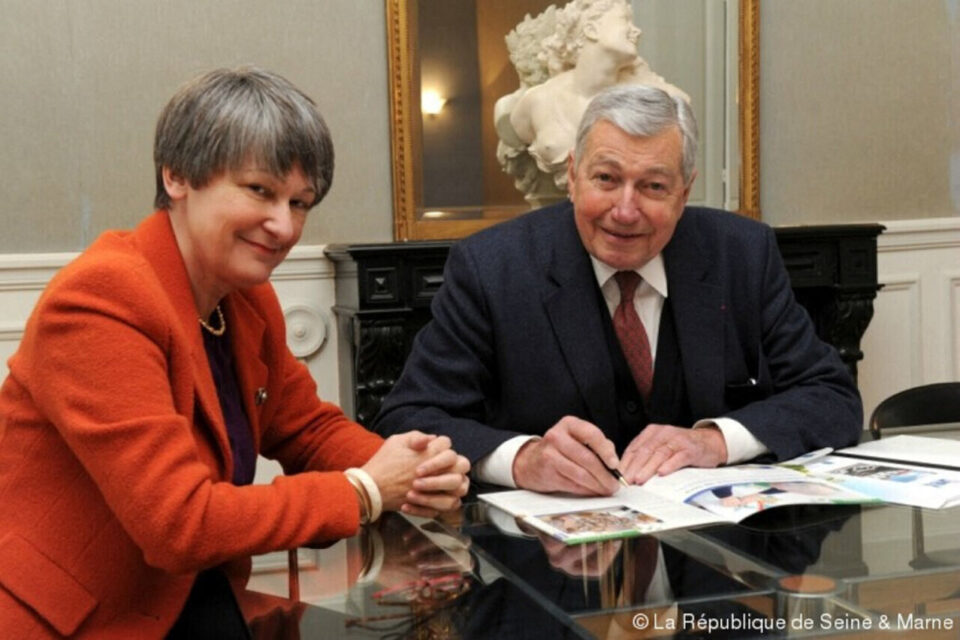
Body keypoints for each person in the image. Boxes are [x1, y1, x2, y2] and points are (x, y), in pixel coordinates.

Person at [0, 66, 469, 638]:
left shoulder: (245, 298)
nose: (284, 226)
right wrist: (367, 490)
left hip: (192, 598)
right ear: (176, 177)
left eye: (300, 202)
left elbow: (305, 429)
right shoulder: (101, 298)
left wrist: (409, 468)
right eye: (260, 191)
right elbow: (179, 523)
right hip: (74, 620)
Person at [374, 83, 862, 497]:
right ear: (571, 175)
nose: (625, 210)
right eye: (606, 179)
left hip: (716, 571)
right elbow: (408, 418)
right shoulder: (493, 268)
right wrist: (523, 459)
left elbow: (831, 396)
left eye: (652, 187)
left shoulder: (742, 254)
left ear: (685, 193)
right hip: (545, 571)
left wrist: (716, 441)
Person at [505, 0, 688, 192]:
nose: (636, 31)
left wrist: (648, 80)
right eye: (625, 21)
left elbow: (683, 106)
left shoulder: (648, 94)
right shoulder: (538, 102)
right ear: (592, 30)